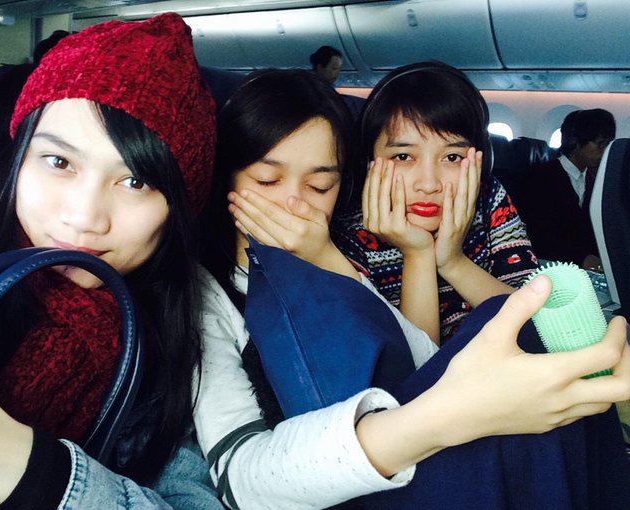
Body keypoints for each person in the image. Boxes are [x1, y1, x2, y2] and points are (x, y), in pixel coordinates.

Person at [195, 68, 630, 509]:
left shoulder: (482, 202)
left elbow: (419, 358)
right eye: (266, 181)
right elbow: (409, 381)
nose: (294, 204)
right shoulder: (213, 291)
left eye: (319, 185)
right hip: (389, 456)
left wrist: (440, 258)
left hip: (430, 423)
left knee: (538, 350)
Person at [0, 14, 224, 509]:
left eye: (135, 181)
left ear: (176, 210)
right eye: (59, 162)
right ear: (19, 158)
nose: (84, 218)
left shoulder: (170, 342)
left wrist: (38, 477)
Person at [332, 61, 538, 344]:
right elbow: (417, 363)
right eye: (403, 157)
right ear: (368, 162)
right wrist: (418, 254)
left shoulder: (487, 198)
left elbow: (539, 326)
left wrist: (453, 261)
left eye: (452, 157)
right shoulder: (348, 231)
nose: (429, 184)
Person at [522, 108, 616, 268]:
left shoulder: (592, 180)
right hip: (552, 265)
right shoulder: (543, 178)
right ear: (576, 143)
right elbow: (540, 234)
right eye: (600, 144)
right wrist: (581, 258)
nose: (604, 151)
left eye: (607, 145)